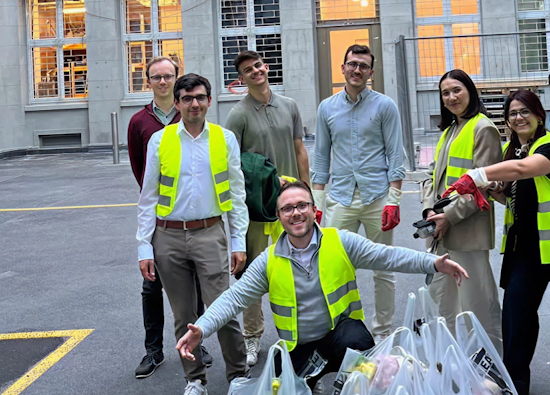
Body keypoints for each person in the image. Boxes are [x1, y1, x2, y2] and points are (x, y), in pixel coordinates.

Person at [175, 181, 469, 394]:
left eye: (302, 205)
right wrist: (201, 328)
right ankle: (310, 383)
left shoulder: (339, 241)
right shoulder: (269, 260)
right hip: (299, 348)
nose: (296, 213)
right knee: (280, 389)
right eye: (287, 208)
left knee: (371, 370)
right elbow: (235, 298)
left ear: (314, 211)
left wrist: (432, 263)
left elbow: (386, 255)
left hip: (341, 337)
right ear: (279, 217)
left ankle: (353, 381)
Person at [443, 89, 550, 395]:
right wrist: (494, 191)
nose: (518, 118)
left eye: (524, 111)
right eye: (512, 113)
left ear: (539, 115)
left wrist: (477, 175)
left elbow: (526, 170)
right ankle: (516, 381)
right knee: (517, 317)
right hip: (525, 251)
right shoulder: (512, 151)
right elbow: (513, 195)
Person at [136, 73, 250, 395]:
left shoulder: (224, 139)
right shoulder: (160, 140)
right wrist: (144, 246)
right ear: (177, 103)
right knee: (183, 314)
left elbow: (237, 195)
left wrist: (238, 241)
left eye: (200, 97)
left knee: (223, 308)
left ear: (209, 101)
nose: (194, 104)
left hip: (210, 233)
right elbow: (148, 197)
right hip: (168, 237)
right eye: (187, 99)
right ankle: (195, 379)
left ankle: (237, 376)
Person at [126, 56, 213, 378]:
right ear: (148, 81)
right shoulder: (139, 122)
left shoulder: (191, 111)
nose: (162, 82)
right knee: (151, 287)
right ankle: (153, 351)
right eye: (155, 77)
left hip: (193, 218)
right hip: (161, 220)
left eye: (167, 76)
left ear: (176, 80)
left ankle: (195, 343)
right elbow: (142, 173)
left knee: (194, 285)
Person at [312, 44, 405, 341]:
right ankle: (342, 330)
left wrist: (394, 200)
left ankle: (382, 333)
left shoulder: (385, 106)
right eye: (351, 64)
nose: (356, 70)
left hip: (377, 197)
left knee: (383, 268)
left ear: (371, 73)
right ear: (342, 68)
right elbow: (321, 158)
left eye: (363, 66)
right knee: (334, 267)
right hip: (339, 199)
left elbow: (396, 156)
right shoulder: (326, 108)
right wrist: (316, 203)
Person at [225, 50, 311, 367]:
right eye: (249, 70)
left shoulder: (289, 106)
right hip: (258, 210)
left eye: (259, 65)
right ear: (241, 79)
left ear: (267, 66)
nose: (256, 71)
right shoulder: (238, 115)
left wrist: (307, 193)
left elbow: (300, 150)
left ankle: (299, 333)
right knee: (252, 276)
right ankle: (252, 337)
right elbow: (232, 164)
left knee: (297, 270)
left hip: (291, 207)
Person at [420, 69, 503, 353]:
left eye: (457, 90)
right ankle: (445, 362)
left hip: (467, 232)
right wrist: (430, 211)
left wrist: (449, 217)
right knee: (441, 303)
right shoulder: (449, 131)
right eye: (445, 93)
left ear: (470, 91)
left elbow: (485, 186)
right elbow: (433, 177)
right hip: (441, 231)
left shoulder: (483, 129)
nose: (452, 97)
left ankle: (491, 367)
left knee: (477, 304)